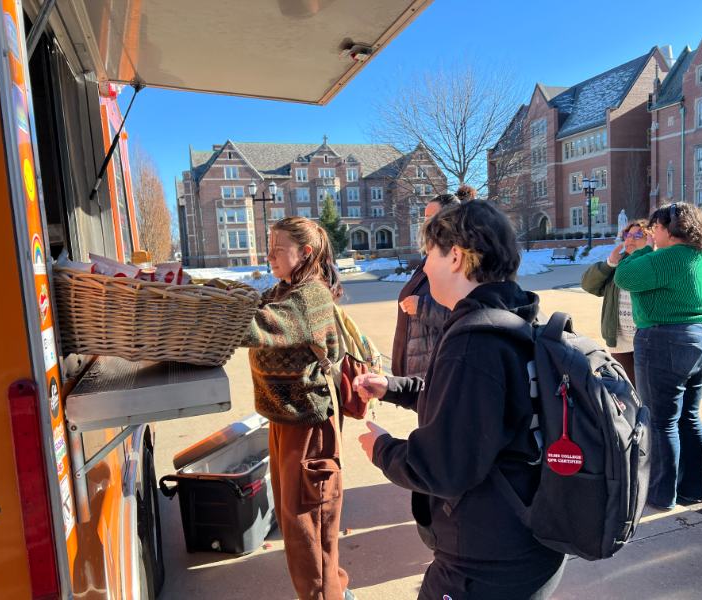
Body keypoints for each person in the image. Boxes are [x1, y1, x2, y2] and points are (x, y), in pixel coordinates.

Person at [355, 201, 566, 599]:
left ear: (455, 255)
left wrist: (381, 449)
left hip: (485, 559)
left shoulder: (474, 342)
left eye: (429, 255)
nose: (425, 267)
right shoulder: (514, 319)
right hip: (529, 538)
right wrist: (393, 386)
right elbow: (474, 407)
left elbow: (441, 467)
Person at [242, 216, 354, 600]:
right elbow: (255, 306)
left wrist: (204, 316)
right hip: (284, 420)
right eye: (268, 246)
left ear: (305, 252)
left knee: (309, 524)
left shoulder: (308, 297)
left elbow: (258, 326)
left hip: (308, 426)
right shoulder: (283, 289)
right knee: (297, 521)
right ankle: (335, 591)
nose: (269, 255)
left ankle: (326, 596)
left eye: (278, 249)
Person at [614, 202, 702, 511]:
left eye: (656, 229)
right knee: (689, 416)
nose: (653, 234)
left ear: (669, 230)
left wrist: (638, 250)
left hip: (664, 341)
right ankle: (696, 487)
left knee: (662, 421)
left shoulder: (662, 258)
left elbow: (624, 277)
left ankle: (662, 494)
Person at [391, 193, 460, 377]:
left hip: (437, 371)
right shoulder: (433, 256)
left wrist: (422, 307)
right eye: (425, 217)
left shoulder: (458, 258)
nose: (425, 223)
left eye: (431, 217)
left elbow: (467, 314)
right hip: (420, 370)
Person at [580, 218, 650, 384]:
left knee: (647, 391)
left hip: (647, 340)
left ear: (651, 238)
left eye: (638, 235)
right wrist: (609, 263)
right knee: (627, 389)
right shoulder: (619, 263)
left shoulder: (654, 263)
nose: (630, 239)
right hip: (620, 340)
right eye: (628, 234)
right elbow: (588, 284)